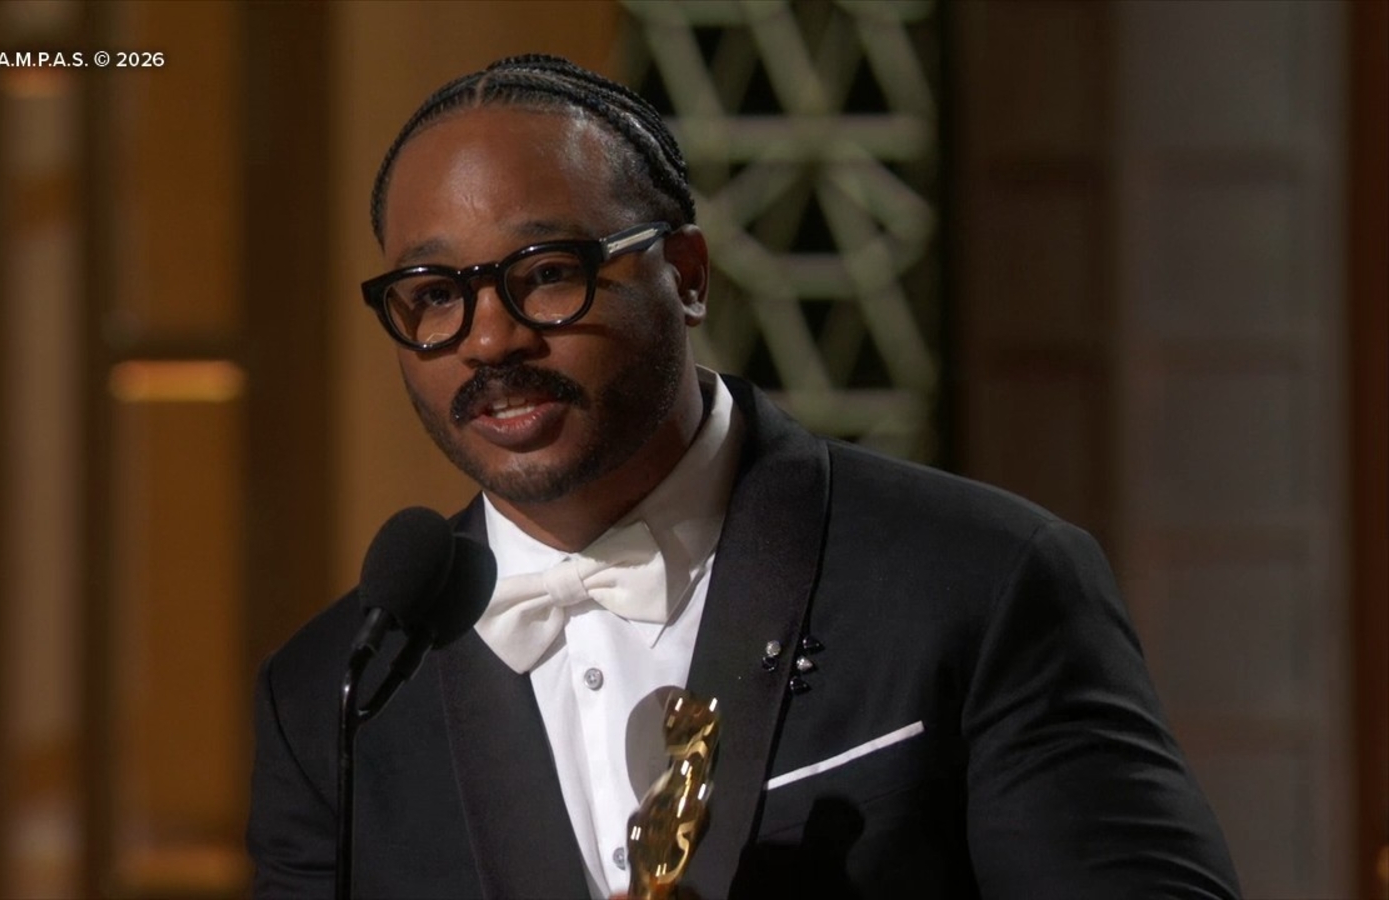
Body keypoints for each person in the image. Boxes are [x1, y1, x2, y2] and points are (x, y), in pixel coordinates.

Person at [246, 54, 1241, 900]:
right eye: (433, 295)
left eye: (547, 272)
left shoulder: (980, 580)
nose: (490, 338)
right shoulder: (334, 697)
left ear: (685, 273)